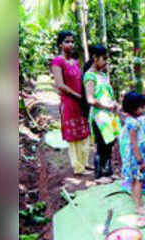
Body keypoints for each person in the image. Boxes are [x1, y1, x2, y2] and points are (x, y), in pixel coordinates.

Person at [51, 31, 91, 175]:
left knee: (84, 132)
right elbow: (60, 85)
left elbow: (80, 81)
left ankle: (85, 162)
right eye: (67, 41)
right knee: (73, 136)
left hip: (80, 102)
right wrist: (78, 96)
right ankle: (78, 167)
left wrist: (86, 97)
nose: (70, 44)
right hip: (69, 102)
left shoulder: (75, 62)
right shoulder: (57, 62)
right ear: (60, 44)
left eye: (72, 41)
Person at [83, 45, 121, 182]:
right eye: (104, 58)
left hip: (109, 115)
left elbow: (108, 94)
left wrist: (114, 103)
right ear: (95, 58)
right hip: (99, 116)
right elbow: (90, 98)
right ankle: (100, 175)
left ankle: (108, 172)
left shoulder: (103, 75)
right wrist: (107, 106)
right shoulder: (89, 76)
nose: (106, 62)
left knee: (110, 143)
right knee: (101, 144)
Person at [120, 92, 145, 216]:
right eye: (141, 107)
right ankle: (138, 207)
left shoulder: (130, 119)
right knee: (139, 180)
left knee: (135, 179)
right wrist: (140, 160)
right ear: (134, 108)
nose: (143, 109)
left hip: (134, 155)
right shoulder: (134, 123)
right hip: (136, 156)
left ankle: (136, 199)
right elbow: (134, 143)